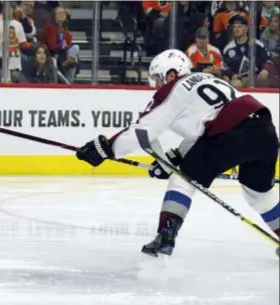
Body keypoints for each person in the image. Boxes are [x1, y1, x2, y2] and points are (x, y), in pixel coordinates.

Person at [75, 49, 279, 257]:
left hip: (229, 133)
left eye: (157, 78)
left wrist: (107, 148)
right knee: (260, 195)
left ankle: (165, 237)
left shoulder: (173, 88)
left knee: (182, 180)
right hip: (264, 129)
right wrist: (170, 161)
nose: (156, 85)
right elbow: (203, 131)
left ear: (172, 74)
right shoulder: (207, 78)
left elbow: (144, 129)